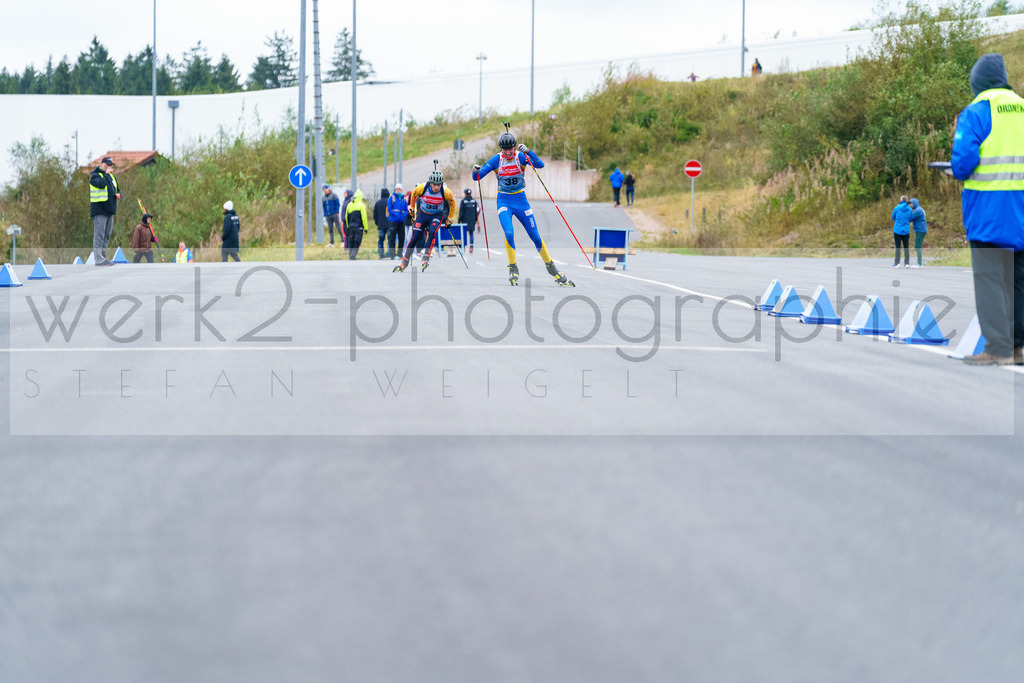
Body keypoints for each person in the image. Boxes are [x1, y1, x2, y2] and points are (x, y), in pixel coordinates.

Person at [951, 52, 1024, 366]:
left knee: (990, 278)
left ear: (976, 82)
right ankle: (1018, 347)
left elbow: (963, 163)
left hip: (990, 209)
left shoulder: (977, 111)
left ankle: (998, 347)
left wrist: (954, 168)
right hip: (1021, 208)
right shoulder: (1022, 107)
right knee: (1018, 279)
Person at [472, 128, 574, 286]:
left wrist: (528, 151)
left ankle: (551, 267)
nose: (508, 153)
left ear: (515, 146)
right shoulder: (496, 160)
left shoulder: (520, 156)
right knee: (509, 232)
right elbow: (477, 177)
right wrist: (475, 170)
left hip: (521, 200)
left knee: (535, 235)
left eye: (510, 150)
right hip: (504, 201)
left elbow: (539, 165)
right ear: (501, 149)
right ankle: (513, 267)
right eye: (505, 150)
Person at [393, 170, 456, 273]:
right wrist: (412, 209)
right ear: (430, 183)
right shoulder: (422, 187)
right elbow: (414, 194)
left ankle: (426, 257)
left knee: (432, 231)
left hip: (436, 215)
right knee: (415, 237)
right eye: (434, 184)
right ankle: (404, 262)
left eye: (439, 185)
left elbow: (453, 203)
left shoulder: (445, 191)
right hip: (423, 214)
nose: (436, 187)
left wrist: (449, 219)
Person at [89, 155, 120, 266]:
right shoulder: (95, 176)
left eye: (110, 165)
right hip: (100, 210)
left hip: (109, 211)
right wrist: (107, 174)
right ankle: (98, 259)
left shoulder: (111, 177)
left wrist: (118, 194)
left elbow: (117, 188)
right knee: (99, 235)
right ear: (101, 164)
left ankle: (103, 256)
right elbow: (101, 184)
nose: (109, 167)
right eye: (107, 164)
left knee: (106, 235)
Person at [385, 183, 409, 259]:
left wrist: (403, 216)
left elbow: (406, 210)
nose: (398, 190)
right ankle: (392, 255)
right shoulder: (391, 198)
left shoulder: (403, 199)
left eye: (399, 189)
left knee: (402, 238)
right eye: (397, 189)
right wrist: (395, 214)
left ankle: (399, 254)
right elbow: (389, 209)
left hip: (401, 221)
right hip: (393, 221)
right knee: (392, 238)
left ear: (401, 190)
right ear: (395, 189)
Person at [344, 189, 369, 260]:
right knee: (357, 242)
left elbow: (346, 217)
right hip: (359, 227)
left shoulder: (349, 205)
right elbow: (364, 218)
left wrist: (348, 227)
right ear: (361, 197)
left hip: (351, 227)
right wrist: (366, 228)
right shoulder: (361, 205)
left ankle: (350, 255)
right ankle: (353, 255)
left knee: (351, 241)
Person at [891, 196, 912, 268]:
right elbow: (910, 218)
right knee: (906, 247)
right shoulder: (909, 209)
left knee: (898, 247)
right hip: (906, 230)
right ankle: (907, 263)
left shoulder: (897, 208)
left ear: (900, 200)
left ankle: (897, 263)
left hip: (897, 230)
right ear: (907, 201)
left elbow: (893, 217)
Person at [458, 188, 479, 253]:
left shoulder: (463, 201)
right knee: (471, 233)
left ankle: (463, 247)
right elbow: (476, 212)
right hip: (472, 219)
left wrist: (459, 220)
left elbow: (461, 211)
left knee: (464, 233)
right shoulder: (474, 201)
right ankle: (471, 247)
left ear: (465, 193)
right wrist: (475, 220)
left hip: (465, 220)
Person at [909, 198, 927, 268]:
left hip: (920, 230)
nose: (910, 205)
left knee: (917, 246)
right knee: (917, 246)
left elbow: (910, 218)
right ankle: (919, 262)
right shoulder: (919, 209)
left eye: (911, 203)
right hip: (920, 229)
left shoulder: (918, 211)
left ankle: (919, 263)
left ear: (915, 203)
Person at [373, 188, 390, 258]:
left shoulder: (377, 203)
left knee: (381, 240)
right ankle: (389, 253)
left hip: (380, 225)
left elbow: (375, 215)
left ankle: (381, 254)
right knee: (390, 240)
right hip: (389, 224)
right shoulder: (389, 202)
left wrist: (377, 223)